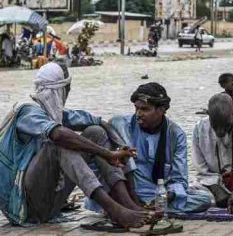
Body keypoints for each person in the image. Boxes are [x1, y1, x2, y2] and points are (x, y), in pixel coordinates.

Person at [0, 62, 151, 228]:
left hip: (50, 203)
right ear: (60, 89)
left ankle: (127, 203)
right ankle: (114, 210)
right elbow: (58, 135)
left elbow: (100, 123)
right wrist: (107, 154)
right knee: (58, 144)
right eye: (67, 89)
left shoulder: (54, 113)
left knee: (95, 132)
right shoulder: (27, 111)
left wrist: (120, 147)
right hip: (24, 207)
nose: (68, 94)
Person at [106, 82, 211, 213]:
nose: (138, 114)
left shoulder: (176, 135)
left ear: (161, 110)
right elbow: (125, 162)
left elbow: (179, 177)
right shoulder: (122, 125)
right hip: (127, 190)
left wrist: (168, 196)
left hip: (154, 191)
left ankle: (149, 207)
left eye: (144, 109)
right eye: (136, 108)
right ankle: (134, 205)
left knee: (204, 199)